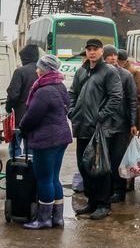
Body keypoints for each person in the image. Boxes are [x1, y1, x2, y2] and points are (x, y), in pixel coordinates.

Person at [69, 39, 122, 220]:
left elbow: (116, 97)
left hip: (99, 129)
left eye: (95, 49)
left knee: (100, 168)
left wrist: (101, 116)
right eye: (89, 49)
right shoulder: (82, 71)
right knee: (84, 166)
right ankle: (91, 201)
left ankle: (103, 204)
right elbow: (72, 93)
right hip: (81, 126)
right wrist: (71, 111)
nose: (92, 52)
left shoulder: (109, 71)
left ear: (101, 51)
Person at [19, 55, 72, 229]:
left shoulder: (43, 91)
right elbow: (67, 106)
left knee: (44, 179)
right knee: (53, 177)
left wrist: (23, 127)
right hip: (61, 137)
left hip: (46, 140)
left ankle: (43, 219)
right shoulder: (59, 86)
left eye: (38, 67)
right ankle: (57, 218)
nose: (36, 70)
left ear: (44, 69)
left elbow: (32, 116)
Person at [101, 45, 139, 203]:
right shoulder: (99, 73)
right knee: (105, 158)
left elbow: (132, 100)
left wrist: (133, 122)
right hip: (103, 123)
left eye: (115, 55)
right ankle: (107, 189)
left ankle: (119, 190)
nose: (113, 58)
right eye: (109, 55)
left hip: (121, 124)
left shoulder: (126, 75)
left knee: (118, 159)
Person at [6, 44, 39, 157]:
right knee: (31, 148)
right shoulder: (43, 72)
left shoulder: (20, 72)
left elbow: (13, 94)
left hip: (20, 117)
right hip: (36, 117)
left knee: (15, 145)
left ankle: (16, 170)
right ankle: (29, 171)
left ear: (25, 57)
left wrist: (8, 107)